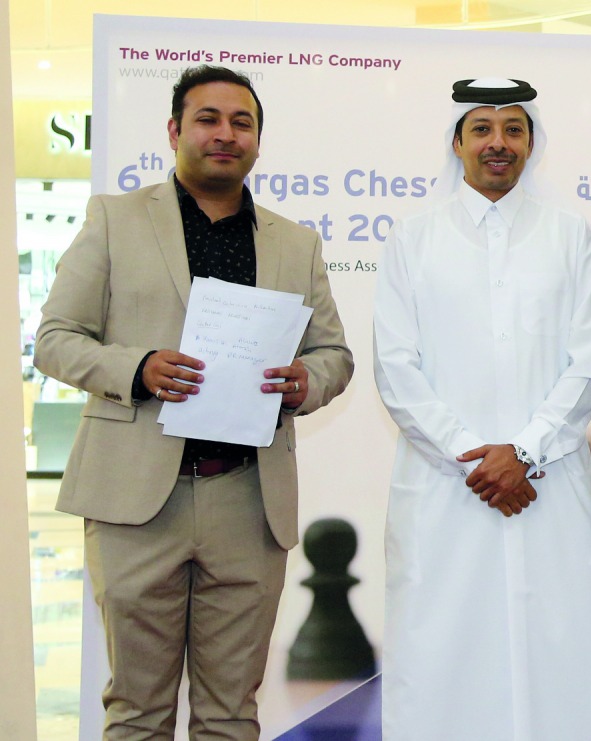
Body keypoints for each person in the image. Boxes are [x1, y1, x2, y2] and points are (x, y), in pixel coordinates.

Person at [34, 65, 353, 738]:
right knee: (137, 710)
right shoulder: (115, 219)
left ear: (259, 141)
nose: (225, 133)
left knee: (232, 713)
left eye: (242, 122)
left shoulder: (295, 243)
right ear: (175, 130)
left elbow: (334, 355)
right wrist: (138, 367)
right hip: (135, 500)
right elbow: (57, 340)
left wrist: (307, 381)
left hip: (246, 499)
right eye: (208, 118)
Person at [373, 78, 591, 741]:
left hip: (544, 485)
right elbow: (395, 368)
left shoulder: (571, 236)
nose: (498, 143)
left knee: (560, 656)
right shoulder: (413, 239)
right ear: (457, 142)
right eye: (482, 129)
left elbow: (587, 363)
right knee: (441, 656)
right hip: (445, 489)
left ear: (531, 143)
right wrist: (474, 455)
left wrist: (523, 452)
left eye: (513, 129)